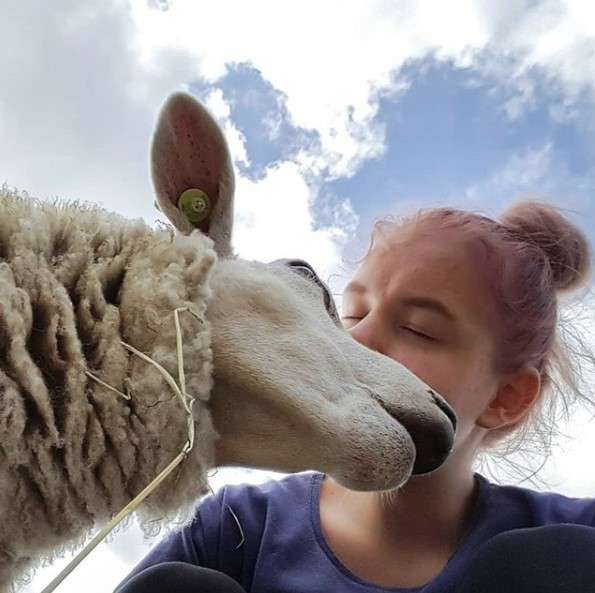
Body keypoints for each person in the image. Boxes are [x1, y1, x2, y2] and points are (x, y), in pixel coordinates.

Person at [115, 200, 595, 593]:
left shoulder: (573, 540)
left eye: (418, 330)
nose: (356, 341)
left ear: (506, 397)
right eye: (351, 313)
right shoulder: (236, 531)